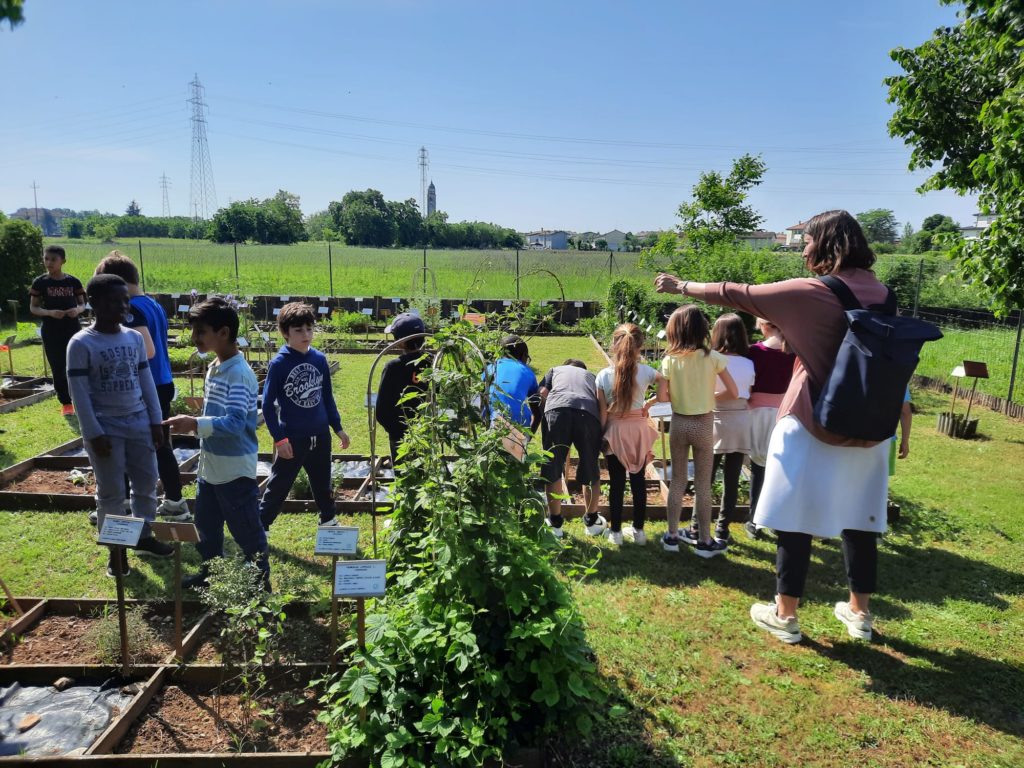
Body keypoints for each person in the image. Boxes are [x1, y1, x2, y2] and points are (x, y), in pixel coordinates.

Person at [656, 209, 892, 644]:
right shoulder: (882, 292)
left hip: (812, 418)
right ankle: (860, 613)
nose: (803, 248)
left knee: (792, 517)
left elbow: (739, 293)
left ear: (826, 243)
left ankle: (786, 615)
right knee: (861, 518)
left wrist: (681, 286)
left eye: (806, 240)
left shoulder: (813, 291)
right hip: (872, 423)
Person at [66, 274, 172, 577]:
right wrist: (93, 433)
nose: (123, 306)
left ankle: (143, 534)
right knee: (112, 491)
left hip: (138, 422)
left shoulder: (134, 338)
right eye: (115, 301)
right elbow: (80, 394)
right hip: (106, 427)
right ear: (94, 303)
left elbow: (146, 381)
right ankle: (116, 552)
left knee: (146, 482)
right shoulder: (81, 343)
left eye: (125, 299)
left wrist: (155, 422)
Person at [164, 297, 269, 591]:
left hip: (234, 471)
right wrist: (198, 423)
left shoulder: (239, 373)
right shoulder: (216, 366)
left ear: (223, 333)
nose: (195, 338)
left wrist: (196, 424)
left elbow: (236, 423)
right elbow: (217, 415)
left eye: (201, 332)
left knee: (248, 532)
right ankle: (211, 572)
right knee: (206, 528)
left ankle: (261, 586)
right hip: (210, 467)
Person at [93, 252, 190, 522]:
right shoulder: (151, 303)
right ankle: (172, 501)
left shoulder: (131, 309)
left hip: (149, 387)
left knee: (150, 445)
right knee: (161, 443)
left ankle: (163, 502)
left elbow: (146, 349)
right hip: (163, 381)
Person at [259, 302, 350, 532]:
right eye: (298, 330)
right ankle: (261, 527)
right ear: (285, 333)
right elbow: (267, 405)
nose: (306, 335)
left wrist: (337, 427)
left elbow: (327, 397)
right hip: (293, 438)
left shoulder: (319, 359)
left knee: (322, 482)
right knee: (280, 484)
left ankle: (328, 519)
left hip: (320, 435)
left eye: (309, 329)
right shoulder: (279, 364)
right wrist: (280, 439)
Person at [659, 305, 737, 558]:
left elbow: (662, 396)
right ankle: (704, 540)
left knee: (678, 481)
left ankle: (671, 535)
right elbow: (733, 392)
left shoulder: (670, 359)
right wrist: (709, 398)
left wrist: (678, 396)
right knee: (703, 484)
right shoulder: (713, 358)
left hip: (679, 423)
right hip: (704, 422)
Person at [595, 324, 665, 546]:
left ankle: (615, 533)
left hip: (615, 431)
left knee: (616, 483)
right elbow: (664, 385)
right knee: (638, 482)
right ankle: (639, 531)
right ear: (640, 345)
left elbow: (603, 413)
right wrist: (649, 403)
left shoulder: (603, 375)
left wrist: (601, 437)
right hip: (638, 431)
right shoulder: (646, 372)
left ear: (614, 345)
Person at [538, 359, 603, 538]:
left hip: (557, 410)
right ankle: (591, 520)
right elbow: (600, 399)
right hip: (588, 414)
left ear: (566, 365)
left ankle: (555, 522)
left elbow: (543, 393)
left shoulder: (554, 369)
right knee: (590, 467)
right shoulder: (591, 376)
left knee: (553, 465)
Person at [744, 318, 795, 539]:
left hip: (757, 413)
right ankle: (777, 519)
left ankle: (754, 520)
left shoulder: (754, 352)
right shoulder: (795, 351)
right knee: (781, 468)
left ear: (765, 325)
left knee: (758, 467)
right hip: (785, 413)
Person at [709, 313, 756, 544]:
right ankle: (722, 529)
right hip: (740, 420)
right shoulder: (749, 363)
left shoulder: (712, 359)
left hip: (715, 419)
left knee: (704, 477)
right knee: (732, 479)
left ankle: (698, 525)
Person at [30, 245, 85, 415]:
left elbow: (82, 304)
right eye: (46, 258)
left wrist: (77, 310)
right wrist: (50, 313)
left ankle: (81, 399)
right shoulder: (40, 283)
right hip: (51, 330)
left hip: (72, 329)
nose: (49, 262)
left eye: (53, 259)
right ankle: (66, 403)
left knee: (76, 364)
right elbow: (33, 308)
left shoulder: (73, 282)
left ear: (63, 261)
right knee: (57, 365)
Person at [375, 312, 429, 464]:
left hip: (400, 438)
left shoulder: (394, 367)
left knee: (404, 477)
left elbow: (382, 410)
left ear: (401, 342)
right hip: (427, 433)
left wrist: (395, 432)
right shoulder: (432, 363)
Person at [487, 335, 540, 431]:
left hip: (493, 418)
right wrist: (527, 439)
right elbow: (537, 413)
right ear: (524, 355)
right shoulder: (528, 372)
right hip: (520, 421)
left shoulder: (490, 368)